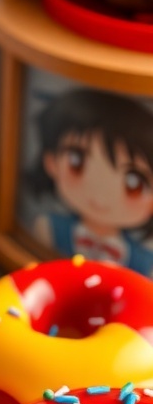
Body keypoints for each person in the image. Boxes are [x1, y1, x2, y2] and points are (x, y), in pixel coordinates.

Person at [27, 87, 153, 274]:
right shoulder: (49, 229)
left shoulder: (145, 261)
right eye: (76, 163)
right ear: (51, 162)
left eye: (133, 184)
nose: (101, 195)